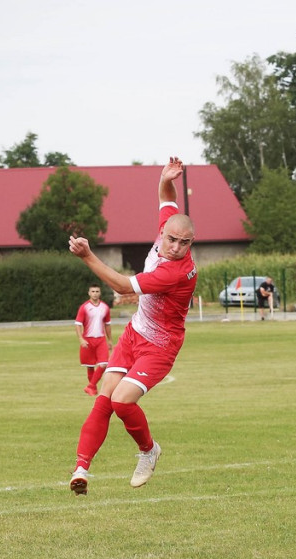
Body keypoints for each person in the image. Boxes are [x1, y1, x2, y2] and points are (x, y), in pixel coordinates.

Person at [67, 156, 197, 493]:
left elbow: (123, 287)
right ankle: (81, 469)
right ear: (164, 232)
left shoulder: (176, 272)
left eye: (184, 243)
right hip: (134, 334)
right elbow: (166, 198)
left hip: (161, 346)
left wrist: (88, 257)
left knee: (122, 401)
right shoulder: (168, 226)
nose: (176, 247)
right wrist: (165, 177)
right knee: (104, 398)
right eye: (171, 240)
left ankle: (149, 450)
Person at [75, 285, 112, 396]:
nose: (95, 293)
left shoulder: (105, 307)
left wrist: (109, 340)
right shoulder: (84, 307)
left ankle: (90, 386)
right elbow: (78, 324)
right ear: (89, 293)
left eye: (97, 291)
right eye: (93, 291)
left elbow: (107, 324)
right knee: (90, 365)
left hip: (101, 340)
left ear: (100, 293)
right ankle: (93, 389)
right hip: (87, 340)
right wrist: (81, 339)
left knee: (104, 364)